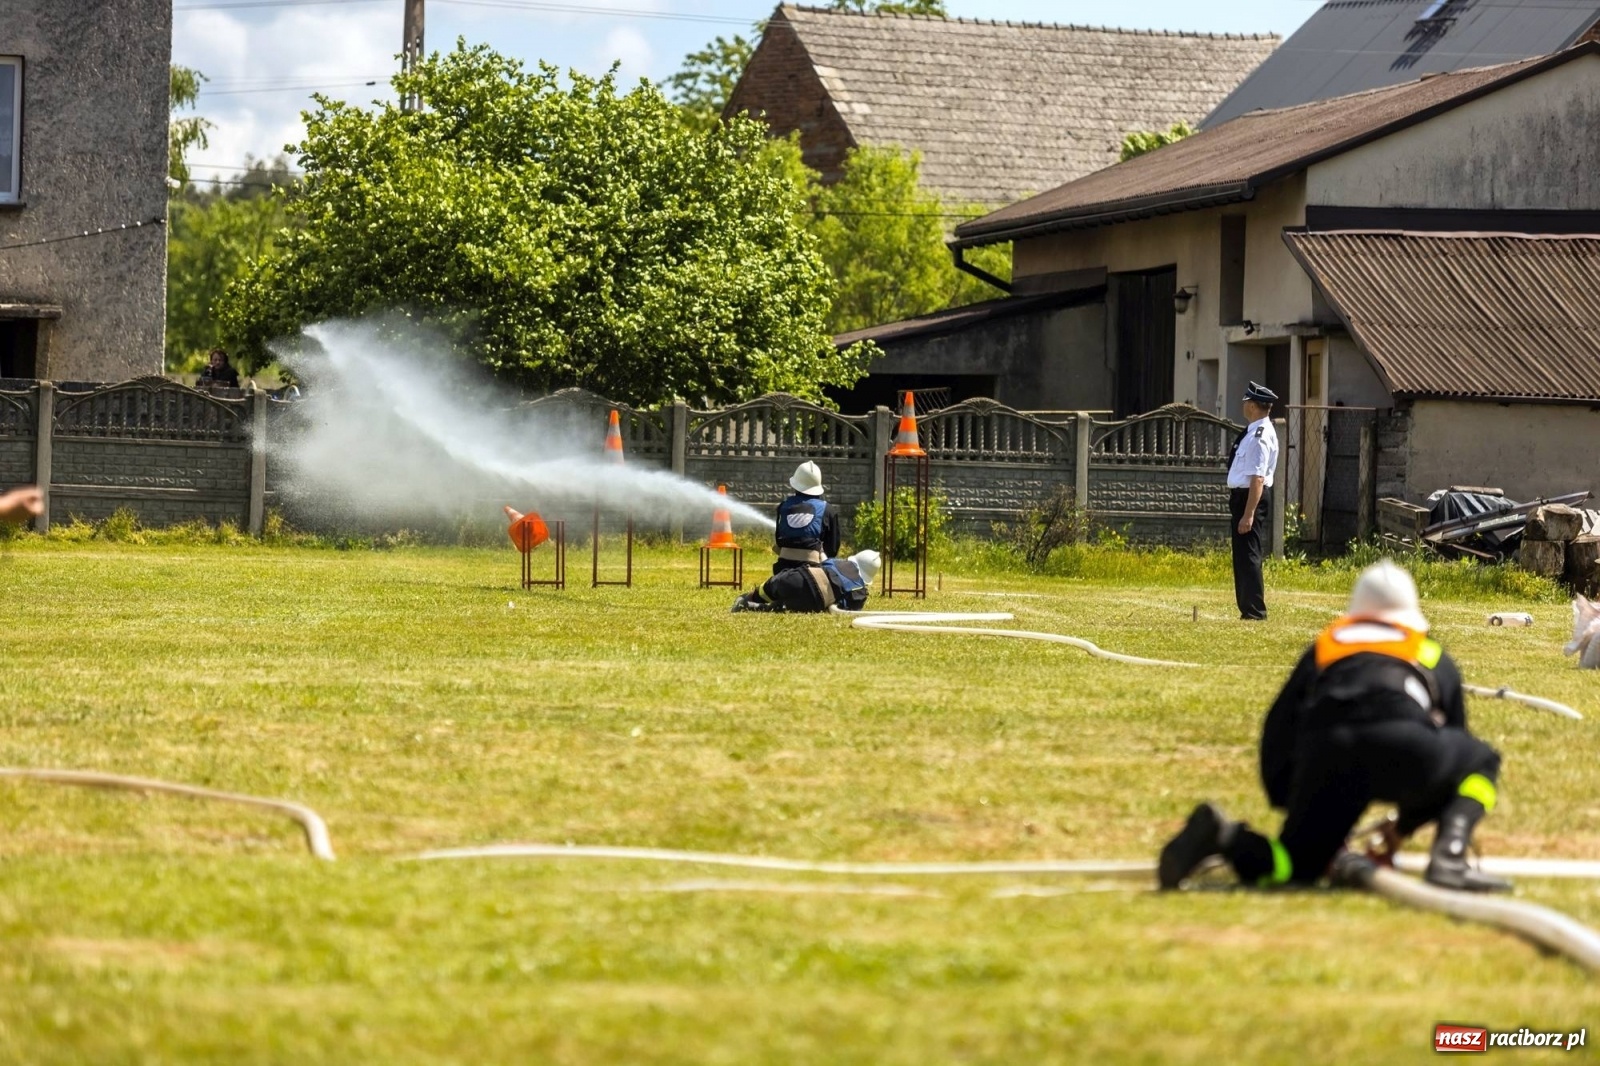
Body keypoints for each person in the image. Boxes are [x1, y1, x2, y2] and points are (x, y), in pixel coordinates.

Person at [1158, 559, 1511, 894]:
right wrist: (1404, 827)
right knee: (1481, 762)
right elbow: (1452, 759)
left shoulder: (1326, 648)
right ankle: (1449, 858)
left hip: (1328, 750)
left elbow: (1279, 727)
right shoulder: (1429, 652)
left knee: (1293, 867)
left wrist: (1291, 795)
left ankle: (1224, 836)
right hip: (1404, 742)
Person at [1227, 381, 1279, 620]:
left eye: (1246, 401)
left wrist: (1248, 514)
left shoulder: (1259, 435)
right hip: (1243, 497)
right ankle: (1247, 608)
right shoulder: (1253, 431)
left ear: (1253, 405)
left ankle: (1255, 610)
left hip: (1250, 498)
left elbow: (1257, 478)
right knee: (1242, 554)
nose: (1243, 405)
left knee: (1249, 554)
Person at [731, 551, 879, 614]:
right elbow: (846, 609)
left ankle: (748, 598)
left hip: (799, 576)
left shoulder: (837, 562)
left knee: (769, 588)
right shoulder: (859, 590)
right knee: (779, 608)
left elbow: (823, 564)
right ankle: (756, 607)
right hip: (813, 599)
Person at [772, 461, 839, 575]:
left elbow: (779, 540)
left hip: (782, 570)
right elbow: (832, 549)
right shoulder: (827, 510)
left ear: (795, 485)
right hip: (813, 572)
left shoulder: (783, 507)